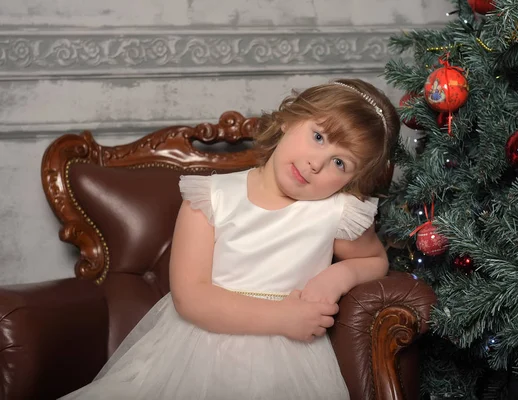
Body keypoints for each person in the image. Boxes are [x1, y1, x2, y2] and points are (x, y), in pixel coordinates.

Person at [60, 78, 400, 400]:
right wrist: (284, 317)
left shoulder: (335, 212)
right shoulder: (211, 198)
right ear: (290, 119)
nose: (315, 164)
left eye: (339, 163)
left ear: (351, 181)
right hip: (201, 348)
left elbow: (374, 260)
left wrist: (337, 277)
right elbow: (191, 297)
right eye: (319, 137)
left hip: (289, 363)